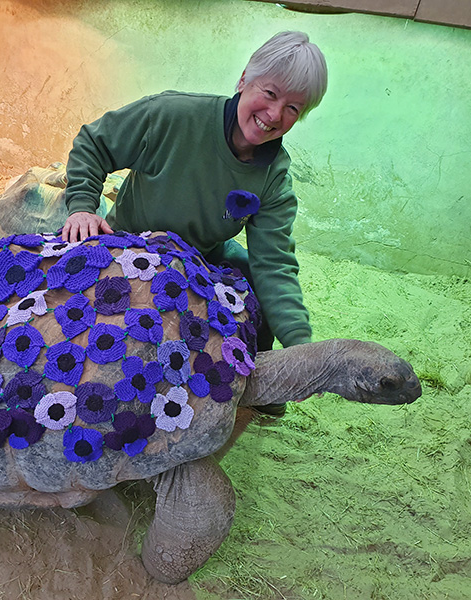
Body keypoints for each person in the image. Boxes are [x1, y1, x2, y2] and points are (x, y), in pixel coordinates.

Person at [61, 30, 328, 396]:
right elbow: (94, 143)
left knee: (250, 275)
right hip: (128, 246)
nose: (275, 114)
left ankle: (260, 391)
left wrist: (303, 350)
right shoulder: (172, 115)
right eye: (270, 93)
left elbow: (275, 265)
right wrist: (81, 207)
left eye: (294, 108)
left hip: (200, 263)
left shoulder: (274, 177)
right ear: (244, 79)